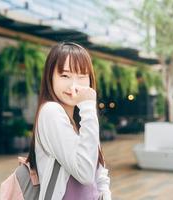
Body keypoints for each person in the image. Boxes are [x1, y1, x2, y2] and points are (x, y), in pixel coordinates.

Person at [27, 42, 111, 200]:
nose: (74, 86)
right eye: (65, 75)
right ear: (49, 77)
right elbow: (85, 173)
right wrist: (88, 106)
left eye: (82, 76)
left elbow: (99, 171)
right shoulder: (50, 112)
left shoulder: (81, 118)